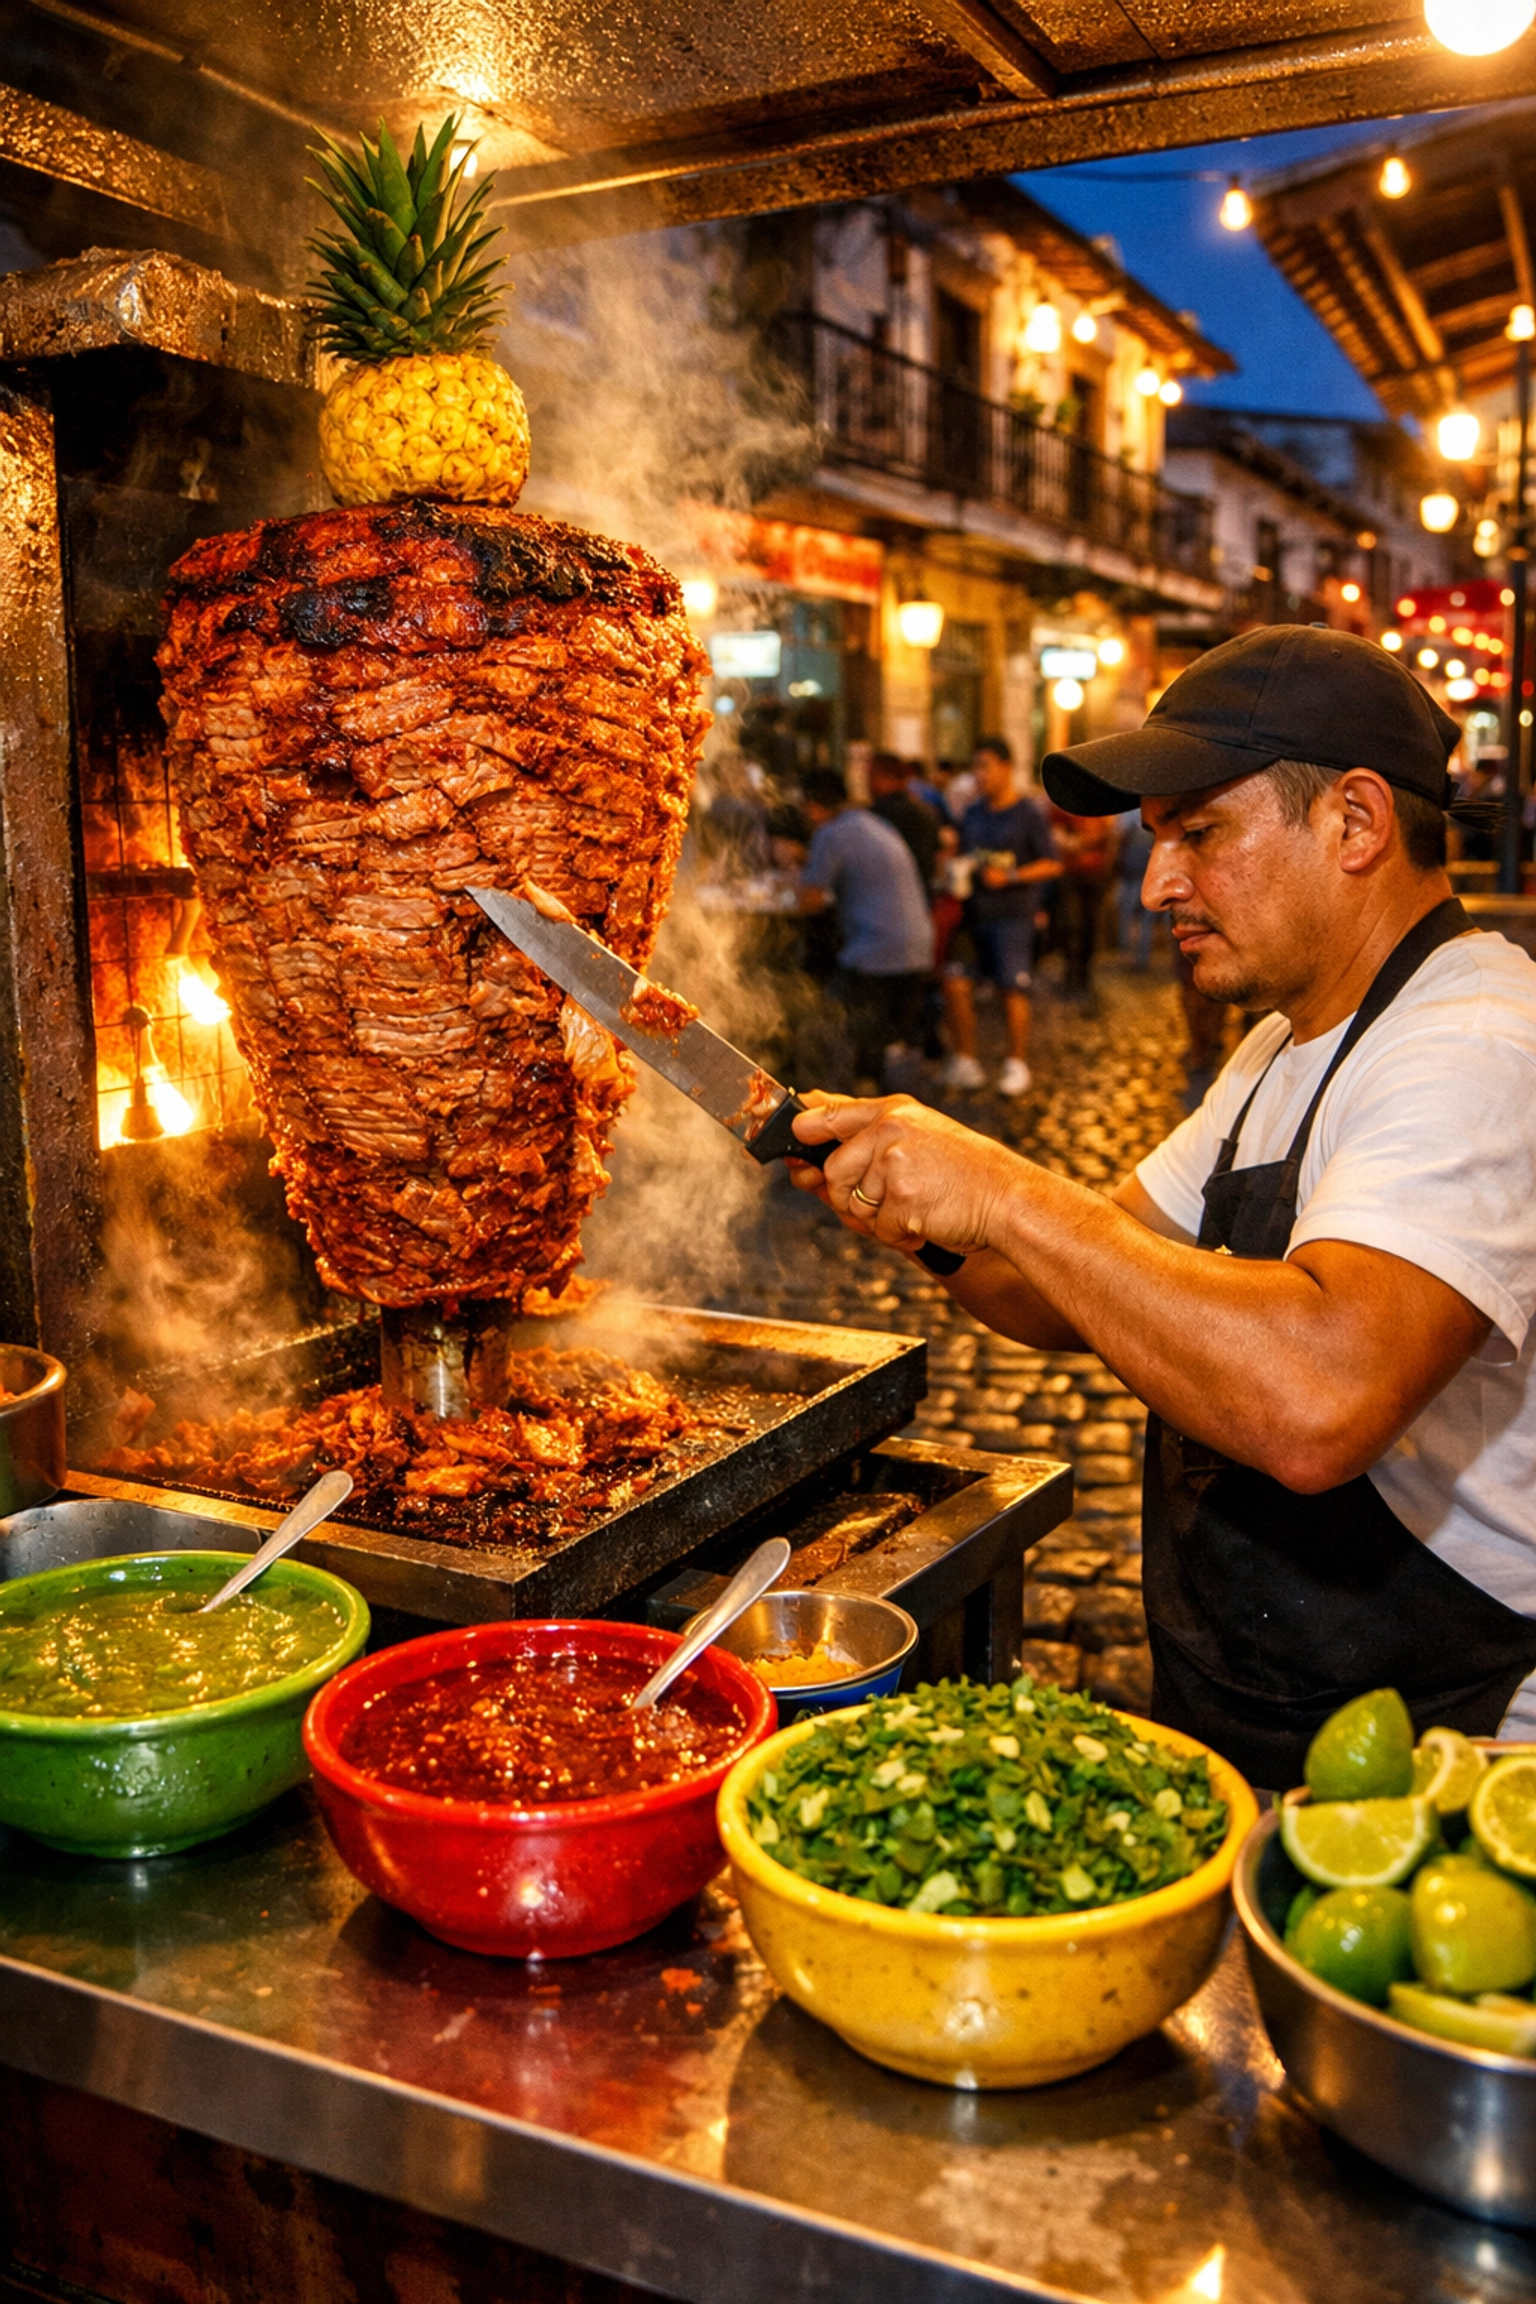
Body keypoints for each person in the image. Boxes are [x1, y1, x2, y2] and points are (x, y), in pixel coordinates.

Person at [785, 626, 1536, 1790]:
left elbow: (1319, 1400)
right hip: (1273, 1699)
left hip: (1452, 1750)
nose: (1155, 885)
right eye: (1155, 843)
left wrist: (1004, 1185)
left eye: (1200, 833)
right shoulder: (1279, 1048)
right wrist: (922, 1212)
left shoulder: (1477, 1041)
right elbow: (1067, 1289)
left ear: (1354, 822)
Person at [797, 768, 934, 1088]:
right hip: (919, 948)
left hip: (876, 952)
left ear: (814, 806)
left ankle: (829, 1099)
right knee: (878, 1031)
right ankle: (874, 1084)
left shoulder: (829, 833)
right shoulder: (873, 823)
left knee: (825, 1024)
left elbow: (810, 900)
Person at [943, 736, 1062, 1098]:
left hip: (1013, 914)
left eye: (985, 766)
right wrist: (954, 864)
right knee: (956, 981)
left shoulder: (1028, 814)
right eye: (975, 767)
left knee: (1012, 989)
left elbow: (1052, 863)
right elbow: (966, 855)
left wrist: (1011, 876)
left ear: (1006, 767)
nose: (978, 775)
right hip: (973, 912)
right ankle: (967, 1061)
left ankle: (1016, 1064)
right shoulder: (974, 813)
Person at [1048, 800, 1116, 1001]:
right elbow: (1058, 836)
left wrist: (1084, 841)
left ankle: (1085, 977)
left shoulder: (1104, 804)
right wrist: (1081, 842)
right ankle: (1071, 976)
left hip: (1095, 874)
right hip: (1071, 873)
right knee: (1071, 925)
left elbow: (1111, 832)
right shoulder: (1062, 804)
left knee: (1091, 927)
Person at [867, 751, 941, 888]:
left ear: (886, 777)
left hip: (888, 898)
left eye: (871, 776)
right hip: (922, 899)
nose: (868, 784)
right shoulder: (925, 812)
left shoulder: (874, 817)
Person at [1113, 807, 1157, 970]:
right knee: (1145, 917)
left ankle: (1129, 955)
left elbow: (1119, 836)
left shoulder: (1127, 811)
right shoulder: (1154, 805)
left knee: (1128, 914)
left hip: (1131, 870)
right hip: (1145, 868)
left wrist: (1113, 863)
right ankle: (1141, 957)